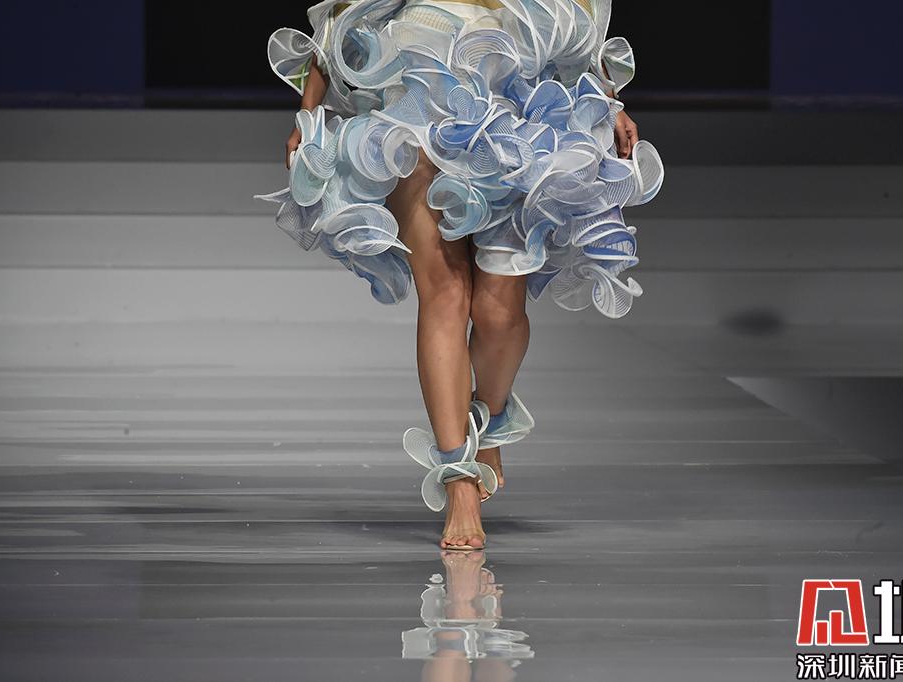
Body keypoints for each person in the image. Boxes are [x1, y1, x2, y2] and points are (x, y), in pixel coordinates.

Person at [257, 0, 664, 551]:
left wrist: (608, 100)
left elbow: (569, 14)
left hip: (514, 101)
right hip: (415, 92)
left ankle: (489, 418)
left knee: (499, 313)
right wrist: (307, 113)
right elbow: (345, 14)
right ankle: (459, 481)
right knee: (444, 293)